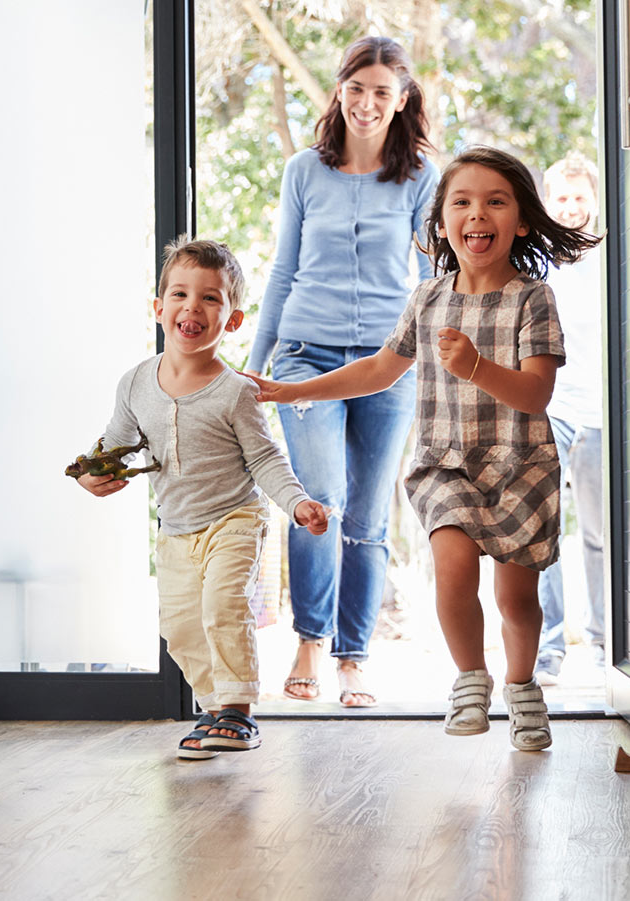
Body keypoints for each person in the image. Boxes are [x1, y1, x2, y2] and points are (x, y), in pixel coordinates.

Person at [248, 146, 602, 751]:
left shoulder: (533, 299)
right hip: (447, 465)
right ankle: (470, 678)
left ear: (520, 220)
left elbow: (537, 394)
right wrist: (291, 388)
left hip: (521, 466)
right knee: (453, 569)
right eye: (461, 202)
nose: (477, 213)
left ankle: (521, 687)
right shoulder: (428, 299)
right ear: (440, 224)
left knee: (516, 598)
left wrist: (476, 366)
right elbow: (380, 370)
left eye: (495, 201)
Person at [77, 236, 330, 760]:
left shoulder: (236, 391)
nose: (192, 306)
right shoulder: (134, 384)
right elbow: (116, 445)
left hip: (233, 518)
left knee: (222, 606)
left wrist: (297, 502)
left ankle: (238, 712)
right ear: (159, 309)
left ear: (232, 320)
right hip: (175, 529)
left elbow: (264, 459)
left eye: (211, 298)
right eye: (180, 294)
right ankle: (214, 708)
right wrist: (91, 473)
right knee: (181, 626)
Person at [243, 36, 440, 708]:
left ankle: (353, 655)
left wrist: (436, 359)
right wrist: (252, 364)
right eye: (356, 88)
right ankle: (308, 640)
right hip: (305, 356)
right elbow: (282, 269)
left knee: (366, 513)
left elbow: (432, 278)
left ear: (401, 99)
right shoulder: (305, 170)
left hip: (389, 364)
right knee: (317, 500)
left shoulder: (420, 179)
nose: (366, 103)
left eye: (381, 92)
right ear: (339, 90)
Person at [533, 152, 607, 685]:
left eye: (581, 196)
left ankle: (607, 644)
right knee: (545, 532)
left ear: (596, 201)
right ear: (547, 203)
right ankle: (549, 649)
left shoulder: (614, 258)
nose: (572, 206)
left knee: (602, 534)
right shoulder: (537, 266)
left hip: (603, 412)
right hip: (551, 408)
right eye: (562, 197)